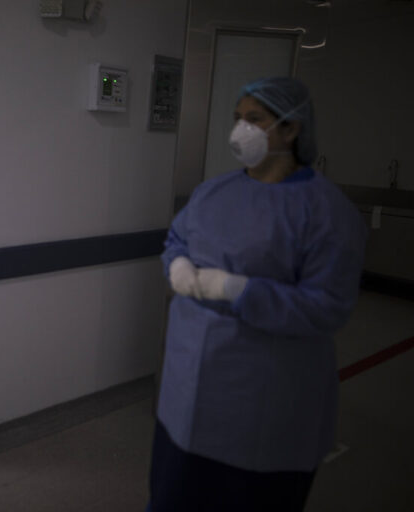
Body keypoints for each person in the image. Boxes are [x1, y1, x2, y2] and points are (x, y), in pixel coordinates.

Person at [148, 77, 367, 511]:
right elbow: (177, 238)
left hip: (265, 402)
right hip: (187, 392)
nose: (240, 130)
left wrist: (237, 289)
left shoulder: (326, 212)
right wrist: (178, 264)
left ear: (291, 128)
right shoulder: (213, 192)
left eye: (255, 119)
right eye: (237, 118)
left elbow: (327, 307)